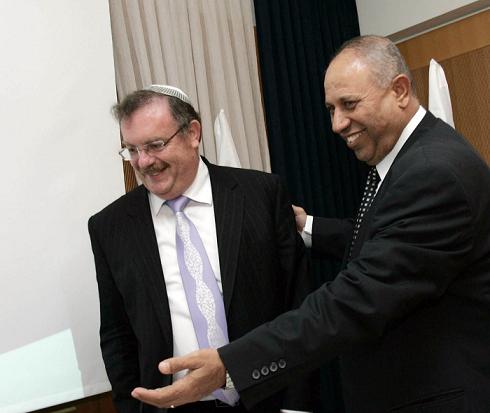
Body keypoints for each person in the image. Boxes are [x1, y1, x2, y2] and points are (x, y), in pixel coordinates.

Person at [131, 36, 490, 413]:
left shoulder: (432, 172)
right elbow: (385, 240)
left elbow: (353, 301)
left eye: (349, 104)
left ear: (399, 90)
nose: (337, 124)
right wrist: (308, 227)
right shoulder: (414, 159)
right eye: (331, 108)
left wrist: (230, 365)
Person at [88, 85, 316, 413]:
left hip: (268, 398)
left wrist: (298, 405)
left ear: (193, 133)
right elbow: (117, 336)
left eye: (154, 145)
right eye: (132, 150)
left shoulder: (260, 195)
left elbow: (299, 306)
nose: (144, 161)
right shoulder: (110, 227)